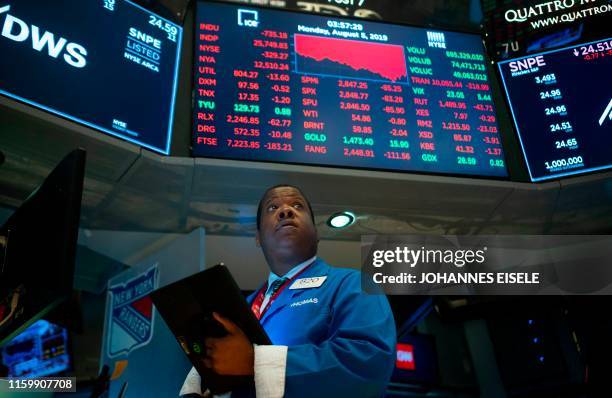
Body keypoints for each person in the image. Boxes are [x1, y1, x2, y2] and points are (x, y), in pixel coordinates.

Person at [180, 185, 396, 397]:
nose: (285, 211)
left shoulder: (353, 284)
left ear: (316, 233)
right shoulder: (241, 307)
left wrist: (255, 361)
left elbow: (369, 363)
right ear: (257, 237)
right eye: (272, 208)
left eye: (297, 205)